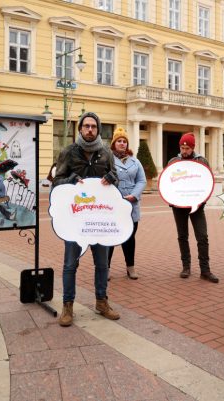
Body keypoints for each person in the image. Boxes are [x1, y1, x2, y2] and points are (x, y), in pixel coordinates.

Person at [53, 111, 120, 327]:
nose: (90, 129)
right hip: (75, 220)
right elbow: (56, 181)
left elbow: (116, 180)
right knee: (70, 265)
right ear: (80, 129)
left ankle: (101, 302)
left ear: (98, 130)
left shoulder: (106, 153)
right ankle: (67, 306)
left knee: (102, 264)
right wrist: (69, 181)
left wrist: (112, 178)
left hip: (100, 219)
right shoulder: (69, 152)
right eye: (86, 126)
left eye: (93, 126)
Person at [168, 132, 219, 283]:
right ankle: (186, 267)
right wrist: (171, 199)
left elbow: (208, 181)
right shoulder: (173, 161)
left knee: (202, 236)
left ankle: (205, 269)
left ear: (193, 148)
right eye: (182, 148)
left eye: (187, 148)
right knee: (182, 236)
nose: (184, 151)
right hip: (178, 206)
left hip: (196, 206)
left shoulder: (201, 161)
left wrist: (202, 200)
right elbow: (168, 183)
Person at [108, 127, 147, 280]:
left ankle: (130, 267)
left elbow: (142, 180)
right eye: (119, 141)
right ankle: (106, 268)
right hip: (114, 206)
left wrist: (134, 195)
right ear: (114, 144)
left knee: (130, 238)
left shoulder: (135, 161)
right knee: (110, 238)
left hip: (131, 205)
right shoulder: (108, 159)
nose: (122, 143)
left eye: (124, 141)